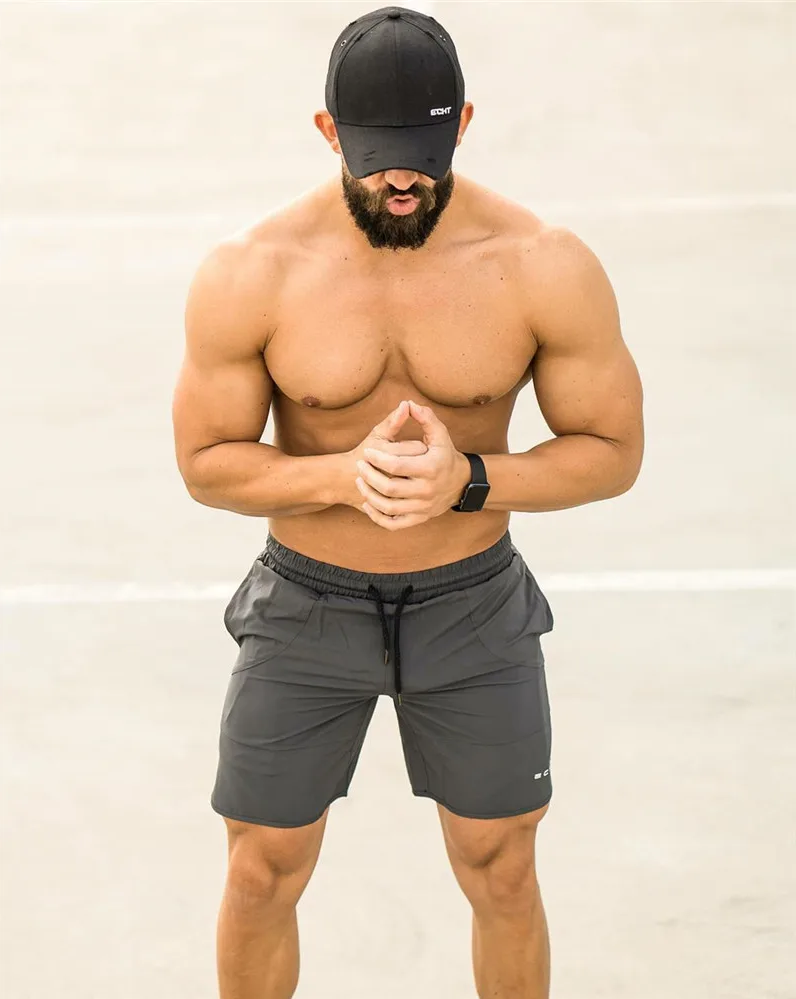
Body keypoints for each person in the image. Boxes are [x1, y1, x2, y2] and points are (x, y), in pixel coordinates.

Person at [172, 6, 644, 998]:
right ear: (327, 132)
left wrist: (470, 479)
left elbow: (612, 453)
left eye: (423, 158)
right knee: (259, 872)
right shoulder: (254, 271)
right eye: (377, 157)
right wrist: (336, 476)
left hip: (471, 603)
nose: (401, 181)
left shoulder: (539, 263)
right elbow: (206, 463)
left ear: (462, 125)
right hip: (306, 604)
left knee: (501, 868)